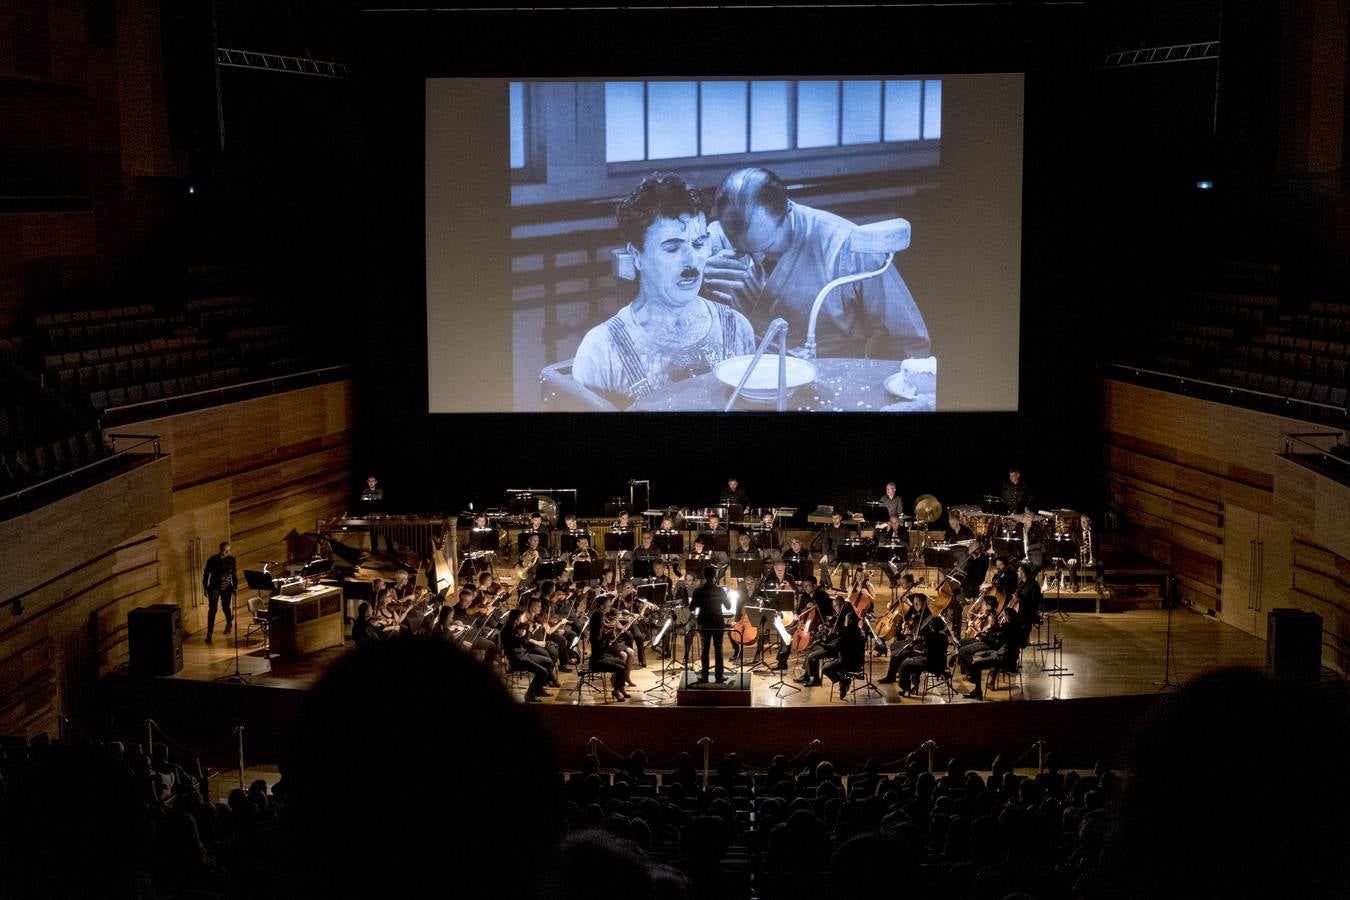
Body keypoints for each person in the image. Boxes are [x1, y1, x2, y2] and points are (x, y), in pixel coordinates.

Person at [705, 166, 929, 360]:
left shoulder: (848, 246)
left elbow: (907, 343)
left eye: (766, 248)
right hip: (744, 380)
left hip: (832, 380)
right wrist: (698, 284)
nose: (756, 260)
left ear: (788, 210)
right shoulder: (711, 243)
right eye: (742, 250)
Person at [572, 172, 755, 407]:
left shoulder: (737, 329)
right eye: (672, 249)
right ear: (637, 255)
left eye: (699, 243)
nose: (691, 262)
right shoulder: (601, 351)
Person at [692, 566, 731, 684]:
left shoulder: (698, 591)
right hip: (717, 622)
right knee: (718, 648)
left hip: (704, 622)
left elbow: (692, 607)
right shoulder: (719, 590)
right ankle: (719, 676)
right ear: (714, 576)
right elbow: (728, 606)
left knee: (705, 649)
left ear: (704, 576)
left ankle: (704, 676)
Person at [202, 540, 236, 643]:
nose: (227, 553)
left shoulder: (231, 559)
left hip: (227, 588)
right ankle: (209, 633)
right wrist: (205, 587)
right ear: (221, 550)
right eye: (225, 550)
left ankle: (229, 624)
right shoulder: (212, 559)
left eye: (228, 550)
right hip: (214, 587)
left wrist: (235, 587)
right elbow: (206, 573)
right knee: (212, 610)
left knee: (226, 607)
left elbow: (234, 574)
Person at [818, 511, 852, 589]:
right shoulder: (829, 528)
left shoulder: (845, 528)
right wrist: (824, 554)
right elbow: (825, 542)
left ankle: (842, 585)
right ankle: (828, 584)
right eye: (833, 518)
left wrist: (846, 553)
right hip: (833, 552)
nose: (834, 520)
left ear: (840, 518)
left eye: (836, 518)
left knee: (846, 565)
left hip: (843, 552)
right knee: (823, 563)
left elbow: (848, 542)